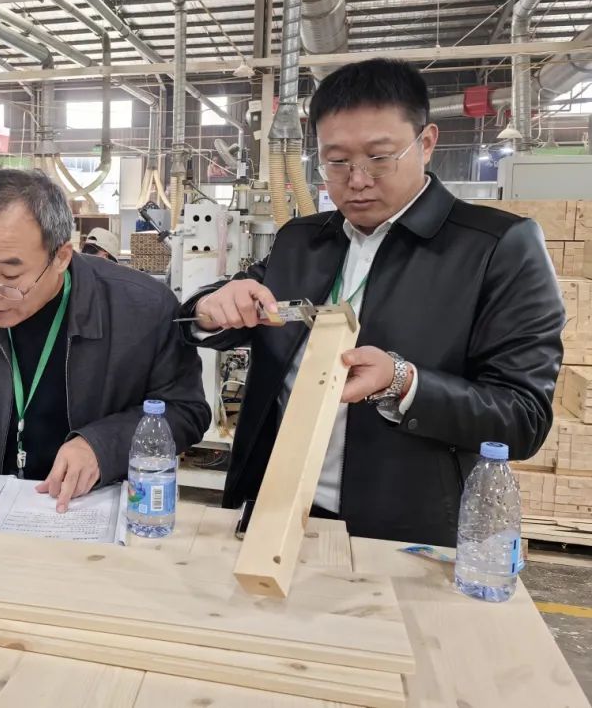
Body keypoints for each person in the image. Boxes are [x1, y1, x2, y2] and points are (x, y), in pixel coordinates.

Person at [180, 58, 565, 546]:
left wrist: (403, 383)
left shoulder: (496, 247)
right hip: (273, 509)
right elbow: (215, 312)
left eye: (379, 157)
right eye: (337, 161)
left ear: (426, 143)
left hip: (404, 528)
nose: (357, 180)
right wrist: (211, 307)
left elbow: (523, 418)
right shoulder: (301, 240)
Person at [0, 169, 209, 511]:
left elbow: (185, 410)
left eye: (10, 275)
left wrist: (102, 446)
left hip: (91, 506)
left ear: (61, 257)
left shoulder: (142, 309)